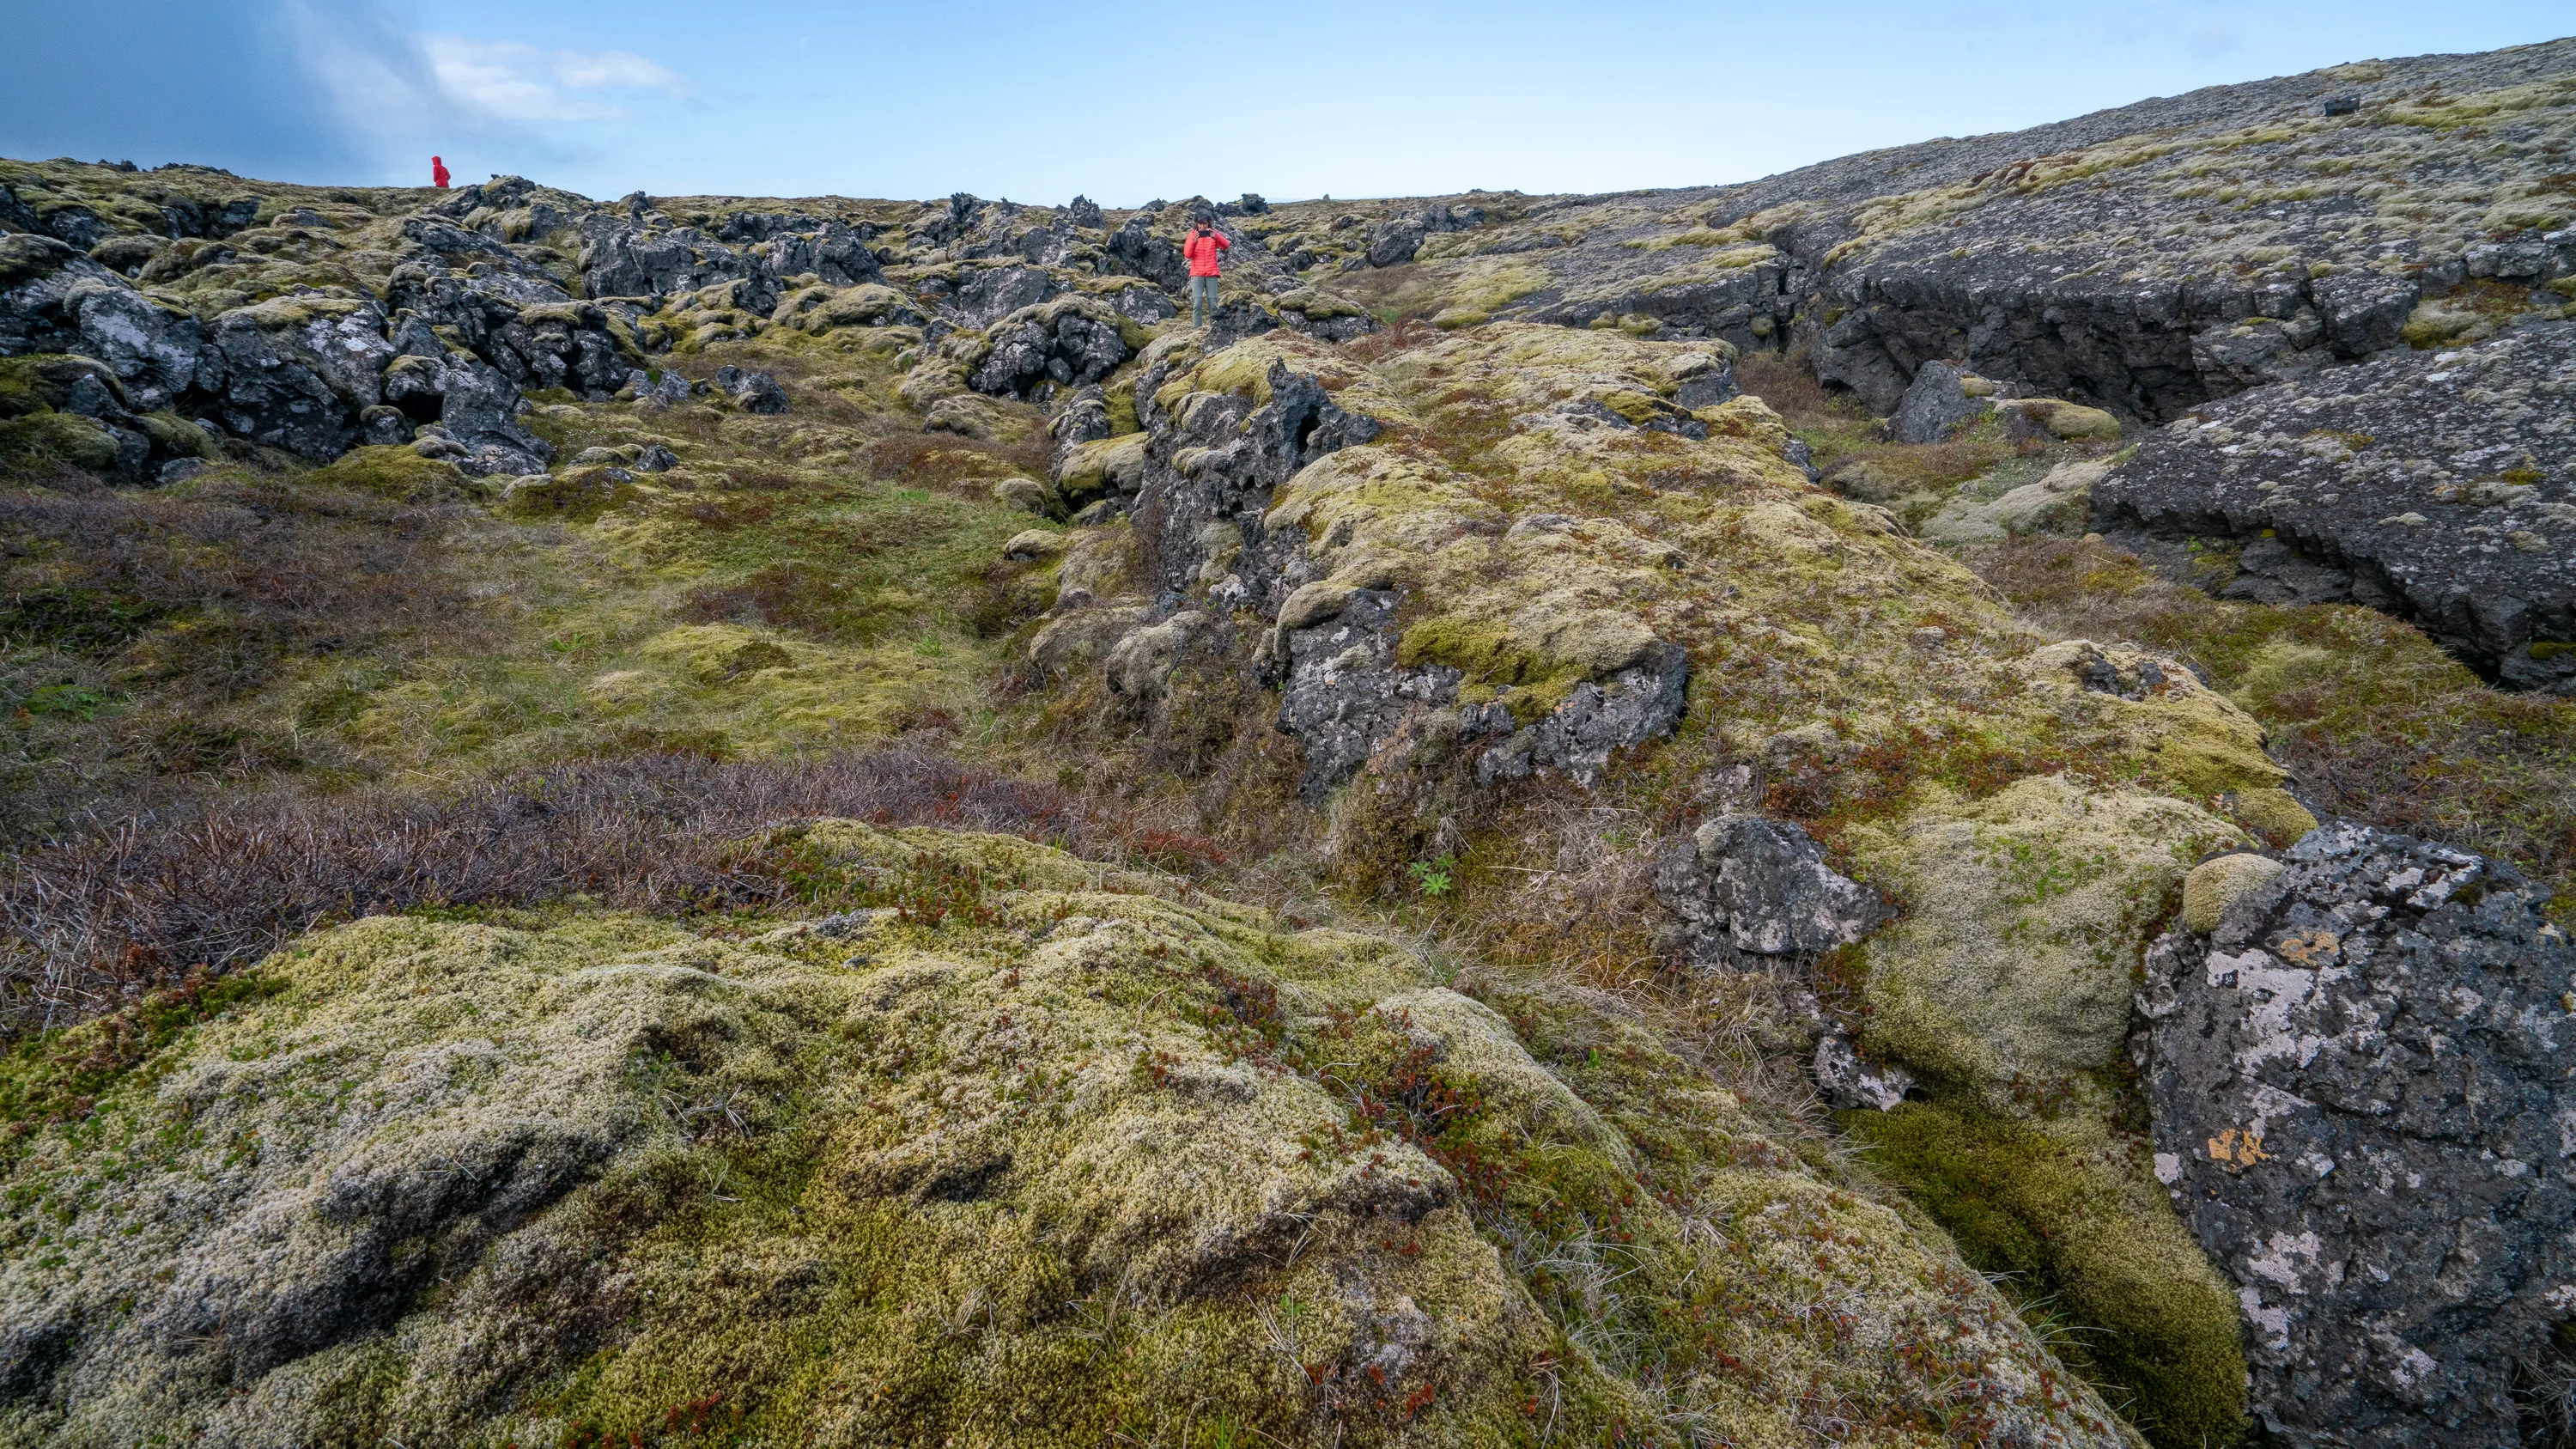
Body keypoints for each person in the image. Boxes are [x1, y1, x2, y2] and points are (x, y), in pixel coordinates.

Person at [1182, 212, 1229, 327]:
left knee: (1213, 304)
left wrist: (1216, 236)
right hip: (1197, 274)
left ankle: (1214, 329)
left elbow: (1226, 245)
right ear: (1196, 224)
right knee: (1197, 304)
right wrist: (1194, 242)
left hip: (1211, 273)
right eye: (1200, 223)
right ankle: (1197, 330)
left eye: (1204, 223)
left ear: (1209, 223)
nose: (1202, 226)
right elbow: (1187, 254)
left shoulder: (1213, 235)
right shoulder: (1192, 235)